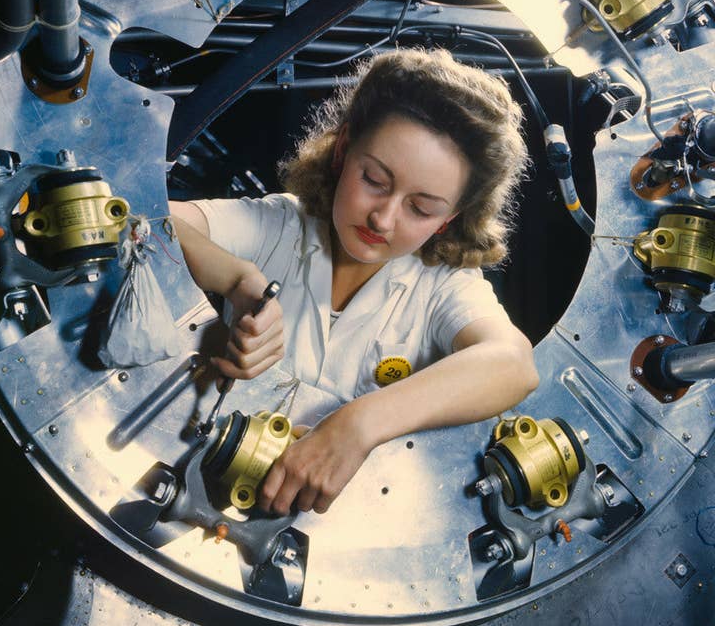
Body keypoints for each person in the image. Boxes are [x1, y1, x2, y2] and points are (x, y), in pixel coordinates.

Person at [170, 47, 539, 518]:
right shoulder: (280, 226)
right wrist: (240, 278)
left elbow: (513, 363)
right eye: (374, 179)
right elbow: (147, 221)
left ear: (450, 219)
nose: (383, 218)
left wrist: (359, 424)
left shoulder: (445, 286)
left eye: (421, 208)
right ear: (343, 150)